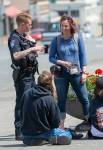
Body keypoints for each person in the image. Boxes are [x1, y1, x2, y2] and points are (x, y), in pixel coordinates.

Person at [8, 12, 44, 140]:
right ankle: (19, 131)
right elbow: (16, 55)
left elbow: (35, 53)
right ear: (22, 25)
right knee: (22, 102)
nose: (31, 26)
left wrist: (34, 44)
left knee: (33, 101)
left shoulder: (24, 37)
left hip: (31, 74)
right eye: (29, 24)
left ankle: (30, 127)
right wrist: (30, 50)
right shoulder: (14, 38)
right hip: (22, 75)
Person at [49, 15, 89, 129]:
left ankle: (89, 121)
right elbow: (51, 57)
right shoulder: (56, 40)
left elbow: (83, 56)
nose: (64, 28)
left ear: (71, 26)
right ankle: (61, 125)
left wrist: (84, 73)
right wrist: (61, 62)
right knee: (61, 100)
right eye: (62, 26)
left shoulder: (77, 38)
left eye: (66, 26)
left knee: (84, 98)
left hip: (76, 73)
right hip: (61, 75)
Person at [21, 71, 72, 146]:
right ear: (50, 83)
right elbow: (55, 122)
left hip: (25, 134)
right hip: (42, 134)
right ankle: (45, 139)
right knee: (68, 134)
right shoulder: (49, 99)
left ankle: (34, 139)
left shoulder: (26, 94)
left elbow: (21, 112)